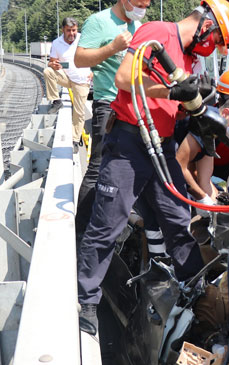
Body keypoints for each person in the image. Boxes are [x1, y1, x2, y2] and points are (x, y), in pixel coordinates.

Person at [77, 0, 229, 335]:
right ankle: (87, 303)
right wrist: (171, 89)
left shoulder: (189, 59)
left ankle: (196, 294)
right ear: (205, 25)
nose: (211, 49)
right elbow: (124, 78)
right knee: (108, 222)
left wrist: (193, 103)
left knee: (178, 220)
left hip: (161, 146)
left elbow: (171, 104)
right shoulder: (157, 33)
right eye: (215, 41)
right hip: (129, 143)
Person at [73, 0, 148, 239]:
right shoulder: (99, 22)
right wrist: (113, 48)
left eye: (146, 4)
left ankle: (121, 223)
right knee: (98, 167)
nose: (141, 8)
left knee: (132, 168)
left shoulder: (138, 24)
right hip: (109, 106)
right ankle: (80, 232)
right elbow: (79, 59)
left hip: (136, 107)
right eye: (138, 3)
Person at [176, 95, 229, 209]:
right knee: (179, 216)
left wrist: (220, 206)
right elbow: (179, 166)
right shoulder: (207, 123)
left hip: (168, 165)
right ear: (225, 113)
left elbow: (204, 180)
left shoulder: (218, 132)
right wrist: (202, 198)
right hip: (154, 159)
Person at [44, 17, 91, 146]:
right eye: (69, 30)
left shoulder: (84, 39)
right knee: (48, 71)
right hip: (66, 77)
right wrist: (54, 64)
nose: (72, 34)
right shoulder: (57, 43)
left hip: (81, 81)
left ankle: (75, 140)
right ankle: (56, 101)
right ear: (63, 30)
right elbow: (51, 61)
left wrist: (93, 72)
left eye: (74, 30)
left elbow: (95, 56)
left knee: (79, 112)